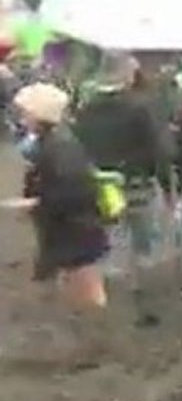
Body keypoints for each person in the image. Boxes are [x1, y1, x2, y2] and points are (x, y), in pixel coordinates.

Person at [2, 83, 110, 368]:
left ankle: (93, 348)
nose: (22, 118)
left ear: (40, 114)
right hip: (71, 229)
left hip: (75, 230)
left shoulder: (59, 147)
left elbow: (75, 192)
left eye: (25, 113)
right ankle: (86, 347)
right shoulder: (56, 142)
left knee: (85, 292)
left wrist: (35, 203)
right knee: (78, 288)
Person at [72, 51, 174, 327]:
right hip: (138, 182)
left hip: (103, 184)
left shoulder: (85, 110)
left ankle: (112, 304)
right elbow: (159, 150)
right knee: (145, 242)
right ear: (126, 74)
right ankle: (143, 298)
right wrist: (167, 186)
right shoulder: (140, 107)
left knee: (114, 238)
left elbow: (78, 151)